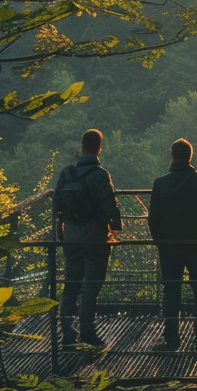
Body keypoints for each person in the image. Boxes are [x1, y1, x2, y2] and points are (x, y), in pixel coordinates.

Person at [53, 128, 122, 349]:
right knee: (91, 286)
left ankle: (67, 334)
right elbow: (110, 206)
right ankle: (88, 333)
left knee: (70, 285)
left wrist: (60, 236)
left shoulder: (66, 174)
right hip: (95, 240)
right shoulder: (101, 175)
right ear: (99, 148)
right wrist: (116, 228)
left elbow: (57, 208)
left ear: (81, 147)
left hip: (71, 239)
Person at [148, 138, 197, 352]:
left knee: (171, 292)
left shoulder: (160, 183)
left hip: (169, 247)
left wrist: (160, 241)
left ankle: (171, 339)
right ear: (190, 156)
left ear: (172, 156)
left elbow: (154, 219)